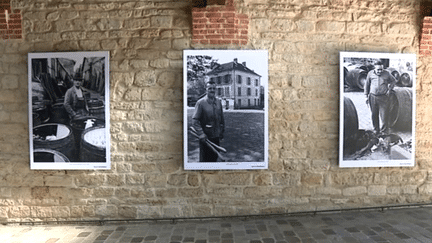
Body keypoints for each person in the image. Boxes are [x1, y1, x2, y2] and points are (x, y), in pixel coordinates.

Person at [192, 81, 225, 162]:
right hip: (206, 139)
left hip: (216, 137)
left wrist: (222, 131)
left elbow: (222, 118)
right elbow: (195, 121)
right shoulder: (200, 103)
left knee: (214, 159)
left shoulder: (218, 102)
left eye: (214, 88)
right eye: (210, 88)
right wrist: (201, 134)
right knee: (205, 160)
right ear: (206, 89)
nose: (212, 90)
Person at [364, 60, 397, 136]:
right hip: (372, 97)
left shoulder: (387, 73)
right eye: (378, 69)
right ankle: (376, 130)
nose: (380, 71)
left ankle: (384, 132)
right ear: (374, 68)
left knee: (384, 116)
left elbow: (393, 81)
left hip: (384, 98)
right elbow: (366, 85)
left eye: (381, 69)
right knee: (374, 115)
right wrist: (366, 96)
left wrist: (390, 89)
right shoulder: (370, 74)